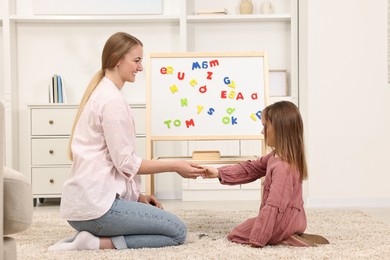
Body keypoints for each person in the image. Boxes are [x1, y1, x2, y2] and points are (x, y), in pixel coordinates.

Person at [48, 32, 205, 251]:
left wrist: (137, 197)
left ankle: (91, 236)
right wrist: (175, 165)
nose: (141, 67)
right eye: (137, 60)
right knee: (177, 231)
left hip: (83, 210)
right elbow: (127, 163)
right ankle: (95, 243)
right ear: (117, 59)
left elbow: (113, 165)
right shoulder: (111, 100)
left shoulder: (103, 94)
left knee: (159, 219)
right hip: (98, 210)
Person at [201, 101, 329, 247]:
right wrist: (218, 172)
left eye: (265, 126)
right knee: (252, 224)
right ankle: (292, 231)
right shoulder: (278, 156)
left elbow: (273, 206)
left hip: (282, 221)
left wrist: (258, 239)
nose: (262, 132)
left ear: (281, 130)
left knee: (236, 234)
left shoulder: (282, 167)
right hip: (296, 218)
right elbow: (252, 169)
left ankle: (285, 238)